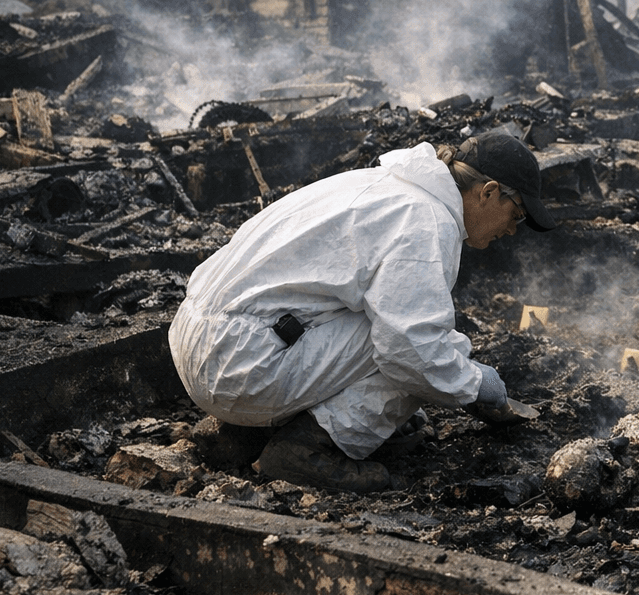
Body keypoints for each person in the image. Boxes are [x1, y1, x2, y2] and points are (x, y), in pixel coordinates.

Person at [169, 132, 557, 492]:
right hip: (237, 365)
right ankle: (308, 449)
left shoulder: (383, 185)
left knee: (404, 329)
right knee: (407, 348)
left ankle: (247, 432)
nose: (511, 230)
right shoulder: (425, 219)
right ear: (489, 192)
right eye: (518, 215)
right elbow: (410, 349)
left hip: (200, 340)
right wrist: (476, 385)